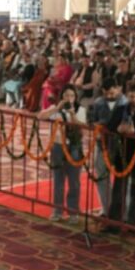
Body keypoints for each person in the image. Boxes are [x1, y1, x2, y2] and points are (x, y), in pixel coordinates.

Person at [107, 81, 135, 229]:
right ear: (127, 96)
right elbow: (110, 125)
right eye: (131, 96)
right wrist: (118, 129)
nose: (133, 100)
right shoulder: (121, 109)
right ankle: (114, 222)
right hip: (122, 154)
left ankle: (133, 222)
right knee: (118, 189)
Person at [39, 85, 86, 223]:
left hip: (74, 147)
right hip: (58, 146)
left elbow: (82, 126)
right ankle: (57, 211)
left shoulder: (81, 110)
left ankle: (73, 212)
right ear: (62, 97)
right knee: (58, 180)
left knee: (74, 181)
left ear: (75, 97)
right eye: (66, 95)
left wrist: (72, 114)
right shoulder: (56, 108)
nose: (69, 98)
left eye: (72, 96)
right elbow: (40, 116)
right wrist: (56, 108)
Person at [89, 78, 125, 219]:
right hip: (103, 145)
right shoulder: (98, 103)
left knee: (121, 181)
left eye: (112, 93)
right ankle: (106, 209)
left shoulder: (125, 103)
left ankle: (121, 212)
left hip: (121, 147)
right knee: (102, 178)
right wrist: (96, 125)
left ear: (117, 89)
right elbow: (91, 120)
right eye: (106, 93)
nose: (109, 96)